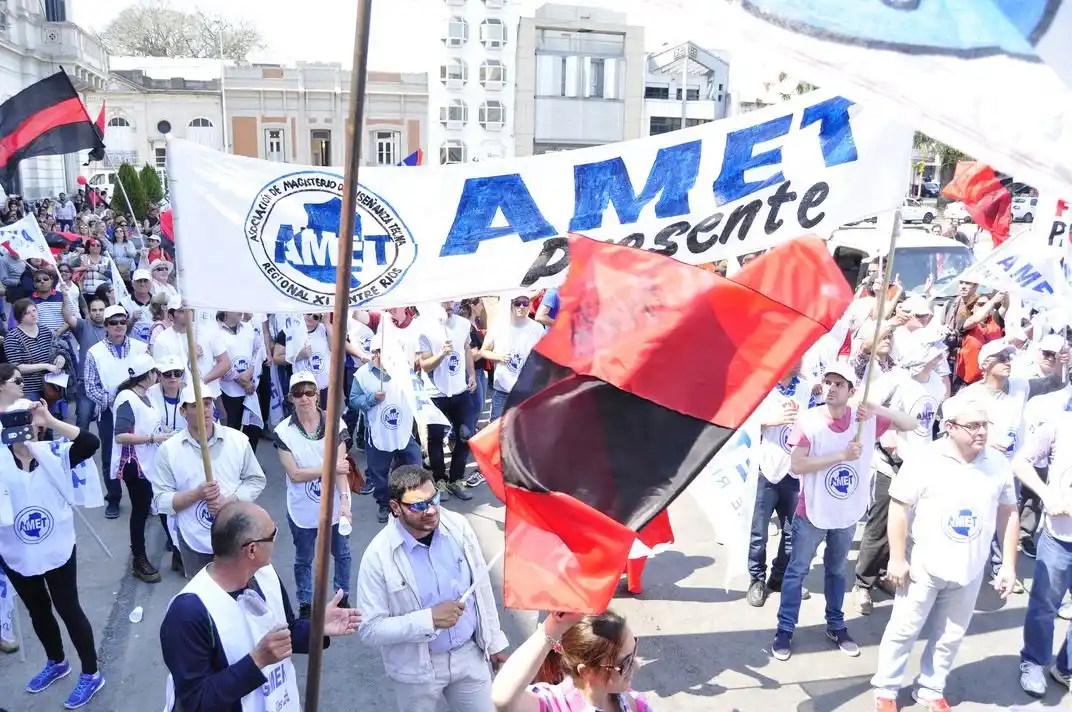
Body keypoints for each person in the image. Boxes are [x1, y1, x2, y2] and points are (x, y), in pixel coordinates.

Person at [871, 391, 1019, 711]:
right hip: (923, 566)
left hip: (970, 569)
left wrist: (1008, 564)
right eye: (973, 425)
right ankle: (886, 689)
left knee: (951, 634)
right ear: (949, 427)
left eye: (985, 424)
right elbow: (898, 508)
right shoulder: (925, 460)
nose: (981, 431)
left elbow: (1009, 512)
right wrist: (897, 559)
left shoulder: (997, 463)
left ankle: (930, 687)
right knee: (904, 629)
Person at [771, 362, 917, 661]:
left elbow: (911, 424)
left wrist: (877, 408)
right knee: (797, 570)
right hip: (811, 511)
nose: (832, 388)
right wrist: (840, 455)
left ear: (852, 391)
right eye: (828, 382)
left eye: (840, 384)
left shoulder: (863, 421)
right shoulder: (809, 421)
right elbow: (797, 465)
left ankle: (836, 625)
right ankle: (785, 629)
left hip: (846, 511)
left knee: (837, 570)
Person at [159, 501, 361, 712]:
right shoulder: (188, 613)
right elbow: (197, 702)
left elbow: (286, 631)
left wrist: (318, 628)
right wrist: (257, 661)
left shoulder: (266, 575)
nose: (276, 539)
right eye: (272, 534)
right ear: (252, 549)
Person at [356, 464, 509, 712]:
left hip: (469, 655)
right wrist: (428, 620)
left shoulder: (458, 527)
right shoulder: (377, 557)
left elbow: (481, 589)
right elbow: (370, 628)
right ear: (395, 507)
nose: (430, 510)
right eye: (417, 505)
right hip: (417, 673)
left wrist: (494, 643)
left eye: (434, 498)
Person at [0, 400, 106, 709]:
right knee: (38, 611)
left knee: (68, 608)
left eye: (27, 421)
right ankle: (57, 661)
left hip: (57, 547)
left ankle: (91, 672)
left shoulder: (54, 454)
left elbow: (90, 442)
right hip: (16, 551)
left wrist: (49, 420)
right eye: (12, 422)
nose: (21, 429)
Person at [854, 334, 949, 615]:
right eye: (934, 351)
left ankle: (887, 572)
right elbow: (862, 405)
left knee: (907, 525)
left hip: (921, 463)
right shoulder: (895, 379)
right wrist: (887, 431)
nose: (941, 356)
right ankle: (863, 584)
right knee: (880, 525)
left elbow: (931, 420)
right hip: (890, 464)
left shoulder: (935, 383)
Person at [150, 382, 267, 578]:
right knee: (202, 601)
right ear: (183, 411)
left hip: (236, 537)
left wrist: (229, 501)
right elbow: (161, 500)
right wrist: (196, 495)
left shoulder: (238, 441)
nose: (204, 410)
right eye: (195, 405)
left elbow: (255, 480)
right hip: (194, 541)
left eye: (207, 403)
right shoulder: (168, 450)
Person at [275, 371, 352, 618]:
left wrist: (345, 502)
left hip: (332, 504)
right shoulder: (282, 432)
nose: (304, 398)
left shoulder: (336, 424)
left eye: (309, 392)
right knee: (304, 558)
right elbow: (296, 475)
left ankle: (342, 598)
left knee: (342, 554)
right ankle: (306, 604)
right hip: (301, 507)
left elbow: (341, 471)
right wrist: (328, 468)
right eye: (298, 393)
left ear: (317, 395)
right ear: (291, 398)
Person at [1011, 392, 1072, 697]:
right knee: (1045, 605)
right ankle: (1034, 661)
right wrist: (1046, 494)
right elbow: (1020, 462)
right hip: (1061, 537)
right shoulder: (1061, 423)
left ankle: (1065, 667)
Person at [747, 360, 816, 608]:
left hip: (793, 471)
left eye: (802, 357)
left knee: (791, 532)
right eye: (795, 355)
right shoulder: (762, 387)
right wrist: (768, 421)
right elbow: (743, 422)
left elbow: (815, 424)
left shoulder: (806, 389)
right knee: (759, 533)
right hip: (766, 469)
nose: (799, 362)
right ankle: (757, 580)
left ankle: (778, 578)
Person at [492, 610, 650, 712]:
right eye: (625, 663)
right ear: (586, 671)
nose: (636, 664)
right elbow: (501, 699)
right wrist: (551, 629)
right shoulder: (556, 705)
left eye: (634, 649)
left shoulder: (631, 701)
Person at [85, 304, 149, 519]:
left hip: (140, 409)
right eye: (113, 322)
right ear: (106, 326)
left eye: (122, 321)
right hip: (110, 412)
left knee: (143, 453)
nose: (119, 326)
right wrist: (116, 401)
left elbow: (150, 377)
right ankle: (113, 498)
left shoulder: (141, 348)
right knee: (110, 456)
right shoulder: (95, 353)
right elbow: (91, 386)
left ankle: (146, 497)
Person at [112, 352, 171, 584]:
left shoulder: (146, 395)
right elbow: (121, 436)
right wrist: (154, 439)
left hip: (151, 461)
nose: (158, 375)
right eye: (155, 372)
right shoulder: (127, 398)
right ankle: (139, 558)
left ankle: (176, 548)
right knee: (141, 510)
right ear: (147, 376)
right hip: (134, 465)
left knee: (162, 503)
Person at [349, 346, 423, 524]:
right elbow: (353, 400)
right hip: (377, 433)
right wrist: (372, 399)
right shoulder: (362, 375)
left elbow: (417, 391)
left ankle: (410, 499)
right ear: (377, 352)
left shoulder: (404, 369)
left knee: (414, 465)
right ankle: (384, 503)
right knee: (379, 474)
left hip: (403, 431)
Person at [418, 302, 477, 501]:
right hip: (436, 393)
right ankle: (440, 480)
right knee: (435, 439)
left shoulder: (463, 323)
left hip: (460, 390)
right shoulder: (423, 326)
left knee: (465, 435)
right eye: (443, 302)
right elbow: (424, 365)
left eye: (450, 301)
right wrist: (441, 354)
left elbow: (467, 349)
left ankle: (456, 480)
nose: (448, 305)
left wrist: (472, 375)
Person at [481, 295, 545, 422]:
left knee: (525, 429)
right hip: (502, 390)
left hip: (527, 390)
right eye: (517, 303)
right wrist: (498, 357)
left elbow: (545, 355)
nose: (521, 306)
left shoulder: (537, 328)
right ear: (511, 303)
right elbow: (483, 351)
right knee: (496, 429)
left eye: (525, 303)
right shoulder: (499, 325)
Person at [152, 300, 231, 401]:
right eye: (181, 311)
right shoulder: (162, 339)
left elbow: (225, 363)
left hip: (210, 394)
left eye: (189, 309)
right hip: (180, 398)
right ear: (171, 316)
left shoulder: (208, 331)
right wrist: (189, 359)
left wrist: (202, 382)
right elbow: (161, 374)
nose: (187, 313)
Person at [217, 312, 265, 446]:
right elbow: (217, 360)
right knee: (232, 432)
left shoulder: (249, 328)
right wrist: (240, 379)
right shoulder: (217, 332)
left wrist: (251, 371)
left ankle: (250, 464)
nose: (241, 310)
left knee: (253, 431)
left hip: (251, 388)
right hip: (228, 391)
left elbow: (258, 350)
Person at [60, 292, 107, 432]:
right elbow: (68, 317)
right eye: (94, 310)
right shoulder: (83, 325)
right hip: (85, 383)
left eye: (101, 310)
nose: (98, 313)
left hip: (106, 383)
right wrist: (65, 297)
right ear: (89, 312)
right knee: (83, 424)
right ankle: (82, 453)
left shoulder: (113, 326)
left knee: (107, 427)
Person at [3, 298, 61, 402]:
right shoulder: (13, 337)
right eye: (27, 313)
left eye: (34, 310)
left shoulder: (45, 331)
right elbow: (18, 367)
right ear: (20, 317)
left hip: (51, 384)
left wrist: (60, 358)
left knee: (51, 415)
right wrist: (45, 366)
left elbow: (56, 350)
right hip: (29, 389)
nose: (33, 314)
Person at [285, 313, 332, 408]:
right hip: (302, 384)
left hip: (324, 384)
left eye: (315, 317)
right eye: (309, 313)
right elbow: (277, 357)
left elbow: (335, 347)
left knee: (324, 415)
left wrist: (327, 323)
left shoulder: (324, 328)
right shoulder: (291, 329)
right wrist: (298, 356)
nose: (310, 317)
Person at [123, 269, 154, 343]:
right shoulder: (124, 303)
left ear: (150, 283)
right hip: (134, 346)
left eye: (145, 281)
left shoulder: (158, 301)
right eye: (139, 281)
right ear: (133, 283)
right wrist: (132, 320)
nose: (142, 284)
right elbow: (119, 329)